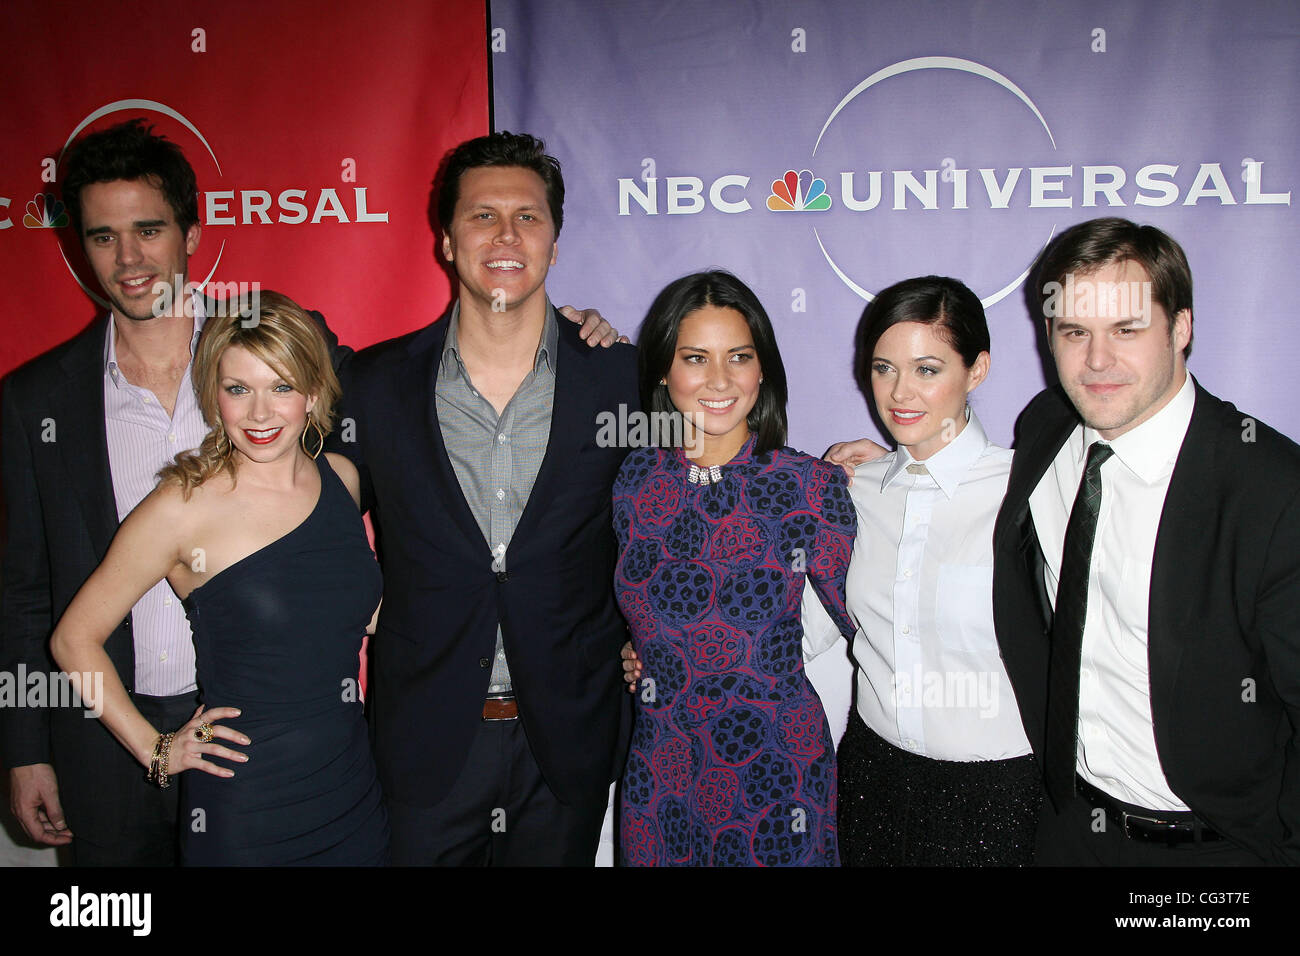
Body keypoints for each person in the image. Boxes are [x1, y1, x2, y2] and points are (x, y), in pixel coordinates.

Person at [335, 131, 639, 866]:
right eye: (482, 216)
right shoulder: (373, 386)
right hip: (424, 741)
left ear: (556, 242)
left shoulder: (623, 380)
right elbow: (312, 524)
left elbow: (689, 506)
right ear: (446, 241)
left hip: (565, 740)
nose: (506, 235)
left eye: (528, 217)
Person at [992, 217, 1300, 865]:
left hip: (1214, 848)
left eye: (1126, 330)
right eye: (1075, 332)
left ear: (1181, 328)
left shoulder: (1272, 490)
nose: (1096, 361)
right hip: (1068, 826)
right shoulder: (1047, 428)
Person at [49, 291, 389, 865]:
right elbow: (72, 639)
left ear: (312, 392)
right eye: (238, 389)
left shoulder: (342, 478)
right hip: (247, 808)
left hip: (351, 788)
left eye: (281, 387)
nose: (259, 414)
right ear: (213, 395)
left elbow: (341, 607)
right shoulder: (182, 505)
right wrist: (155, 750)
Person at [614, 270, 856, 866]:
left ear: (762, 369)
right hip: (663, 767)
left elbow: (875, 624)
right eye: (695, 358)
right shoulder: (636, 482)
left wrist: (896, 476)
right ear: (664, 374)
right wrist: (644, 647)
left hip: (773, 773)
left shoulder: (807, 486)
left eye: (739, 357)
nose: (719, 380)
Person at [800, 276, 1039, 866]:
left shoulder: (1030, 491)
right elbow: (798, 634)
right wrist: (665, 649)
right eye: (883, 368)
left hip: (1000, 795)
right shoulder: (855, 493)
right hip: (871, 777)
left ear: (976, 369)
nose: (900, 393)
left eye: (927, 370)